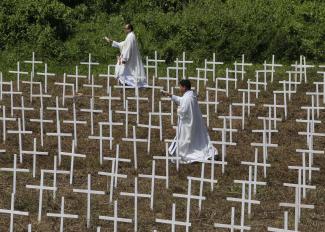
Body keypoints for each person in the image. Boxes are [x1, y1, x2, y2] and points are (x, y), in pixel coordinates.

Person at [162, 79, 217, 163]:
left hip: (187, 124)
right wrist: (170, 95)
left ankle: (183, 154)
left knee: (186, 141)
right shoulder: (190, 95)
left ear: (184, 87)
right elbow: (182, 100)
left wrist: (178, 109)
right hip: (192, 122)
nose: (179, 88)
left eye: (180, 86)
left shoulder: (188, 98)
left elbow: (183, 111)